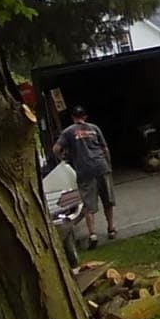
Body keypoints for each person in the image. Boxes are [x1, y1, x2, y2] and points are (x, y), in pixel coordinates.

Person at [52, 106, 116, 249]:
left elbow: (56, 149)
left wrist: (63, 158)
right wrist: (108, 166)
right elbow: (105, 149)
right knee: (108, 200)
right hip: (101, 166)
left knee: (88, 205)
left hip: (84, 170)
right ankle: (111, 229)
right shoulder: (94, 128)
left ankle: (93, 234)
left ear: (73, 117)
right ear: (85, 116)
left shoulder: (68, 132)